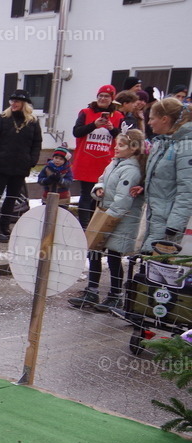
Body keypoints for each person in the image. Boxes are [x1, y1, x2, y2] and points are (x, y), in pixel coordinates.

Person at [67, 129, 147, 313]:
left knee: (113, 256)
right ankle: (92, 290)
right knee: (94, 250)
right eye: (116, 144)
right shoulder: (114, 164)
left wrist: (108, 219)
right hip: (106, 214)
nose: (115, 148)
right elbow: (101, 179)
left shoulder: (132, 170)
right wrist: (99, 189)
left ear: (133, 149)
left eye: (120, 145)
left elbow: (123, 201)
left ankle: (115, 295)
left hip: (120, 220)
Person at [0, 89, 42, 243]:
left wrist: (32, 160)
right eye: (12, 101)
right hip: (0, 166)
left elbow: (37, 143)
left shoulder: (33, 122)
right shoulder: (2, 118)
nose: (13, 104)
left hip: (20, 167)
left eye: (17, 101)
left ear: (24, 103)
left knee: (11, 198)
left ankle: (4, 227)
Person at [141, 98, 192, 249]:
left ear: (164, 119)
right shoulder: (161, 143)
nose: (149, 123)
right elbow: (163, 178)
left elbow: (187, 189)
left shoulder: (186, 146)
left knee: (158, 265)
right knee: (147, 263)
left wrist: (174, 225)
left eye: (151, 118)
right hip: (155, 218)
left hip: (168, 225)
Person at [71, 84, 124, 229]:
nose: (102, 98)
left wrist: (112, 129)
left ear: (112, 99)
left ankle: (94, 226)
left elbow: (122, 138)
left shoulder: (118, 116)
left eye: (106, 96)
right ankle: (83, 226)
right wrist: (94, 124)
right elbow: (77, 132)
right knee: (86, 195)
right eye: (100, 95)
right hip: (86, 161)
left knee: (100, 196)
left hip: (105, 163)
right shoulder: (86, 112)